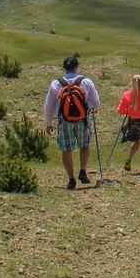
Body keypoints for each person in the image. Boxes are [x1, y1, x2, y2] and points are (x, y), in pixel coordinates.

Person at [43, 54, 101, 190]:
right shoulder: (86, 81)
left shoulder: (56, 83)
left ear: (64, 68)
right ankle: (83, 170)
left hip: (64, 120)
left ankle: (71, 179)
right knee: (84, 145)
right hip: (83, 119)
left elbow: (49, 105)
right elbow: (96, 102)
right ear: (76, 67)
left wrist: (48, 123)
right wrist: (89, 108)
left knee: (66, 149)